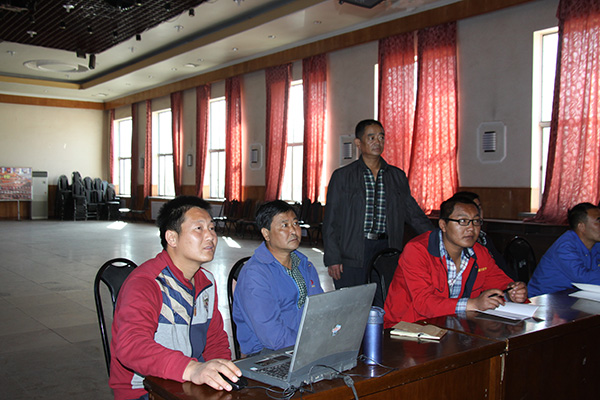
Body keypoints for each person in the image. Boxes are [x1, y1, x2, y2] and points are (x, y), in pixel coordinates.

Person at [109, 196, 241, 400]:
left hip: (188, 384)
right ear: (172, 238)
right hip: (144, 390)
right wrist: (192, 369)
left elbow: (214, 339)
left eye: (212, 228)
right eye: (199, 228)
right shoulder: (147, 283)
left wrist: (222, 375)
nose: (211, 236)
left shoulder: (207, 281)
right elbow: (131, 345)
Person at [383, 196, 528, 327]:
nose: (471, 228)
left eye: (476, 221)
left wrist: (512, 292)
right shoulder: (417, 250)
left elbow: (500, 282)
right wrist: (473, 304)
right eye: (462, 221)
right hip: (408, 327)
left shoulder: (479, 252)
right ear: (443, 225)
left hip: (451, 325)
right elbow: (424, 304)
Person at [322, 119, 432, 289]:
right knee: (353, 300)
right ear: (358, 143)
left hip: (386, 249)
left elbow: (413, 214)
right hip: (353, 250)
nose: (378, 142)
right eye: (371, 137)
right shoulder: (342, 176)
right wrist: (333, 258)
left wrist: (438, 238)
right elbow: (331, 220)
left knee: (384, 298)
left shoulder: (396, 176)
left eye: (381, 137)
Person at [233, 200, 324, 356]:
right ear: (266, 234)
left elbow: (321, 308)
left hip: (305, 346)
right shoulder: (255, 275)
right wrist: (309, 347)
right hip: (267, 353)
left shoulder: (304, 265)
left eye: (295, 223)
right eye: (285, 225)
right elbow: (272, 335)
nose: (294, 231)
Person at [527, 202, 600, 297]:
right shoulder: (565, 247)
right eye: (598, 221)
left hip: (570, 298)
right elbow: (583, 279)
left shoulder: (595, 245)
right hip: (543, 299)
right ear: (581, 227)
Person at [451, 191, 514, 279]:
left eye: (479, 208)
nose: (477, 213)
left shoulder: (484, 238)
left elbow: (501, 268)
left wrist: (511, 284)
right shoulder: (457, 243)